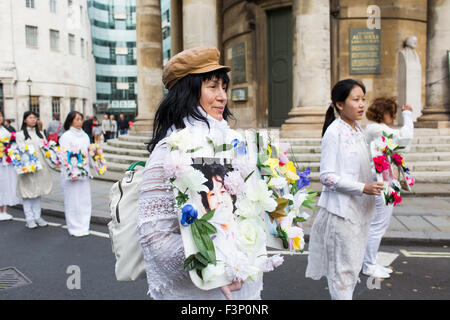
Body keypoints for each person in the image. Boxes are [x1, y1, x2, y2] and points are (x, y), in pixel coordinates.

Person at [137, 46, 262, 300]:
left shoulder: (235, 142)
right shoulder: (169, 150)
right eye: (212, 87)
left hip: (242, 283)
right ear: (187, 92)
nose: (223, 97)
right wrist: (214, 260)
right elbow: (155, 237)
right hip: (198, 292)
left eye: (223, 87)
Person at [305, 79, 384, 300]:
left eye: (363, 99)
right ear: (339, 104)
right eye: (356, 99)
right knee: (342, 274)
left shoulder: (358, 129)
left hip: (360, 212)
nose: (362, 105)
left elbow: (362, 167)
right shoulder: (334, 132)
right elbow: (327, 176)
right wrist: (363, 188)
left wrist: (387, 173)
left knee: (351, 271)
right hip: (342, 213)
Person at [362, 97, 414, 278]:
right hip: (381, 182)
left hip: (384, 180)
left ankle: (371, 262)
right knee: (378, 225)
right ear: (383, 113)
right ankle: (368, 265)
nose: (393, 116)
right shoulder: (377, 130)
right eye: (391, 112)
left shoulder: (376, 129)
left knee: (378, 225)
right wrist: (408, 115)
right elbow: (404, 139)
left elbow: (399, 146)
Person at [16, 111, 53, 228]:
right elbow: (21, 151)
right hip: (27, 169)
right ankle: (29, 218)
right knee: (27, 193)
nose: (33, 120)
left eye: (35, 118)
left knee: (38, 192)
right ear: (25, 120)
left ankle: (37, 216)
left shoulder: (41, 134)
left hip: (40, 168)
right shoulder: (20, 135)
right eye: (30, 117)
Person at [59, 111, 92, 237]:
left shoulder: (85, 136)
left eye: (81, 119)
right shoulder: (66, 136)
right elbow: (64, 156)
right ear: (70, 121)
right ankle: (73, 226)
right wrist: (71, 171)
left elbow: (88, 154)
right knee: (72, 200)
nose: (79, 122)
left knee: (84, 200)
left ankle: (84, 225)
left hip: (84, 173)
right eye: (77, 119)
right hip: (71, 174)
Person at [0, 111, 19, 221]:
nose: (0, 118)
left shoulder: (6, 131)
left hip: (6, 162)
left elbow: (13, 144)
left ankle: (4, 210)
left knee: (6, 185)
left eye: (1, 116)